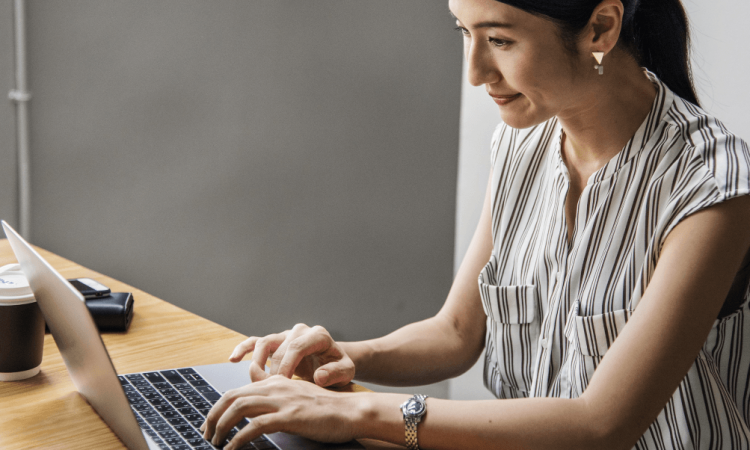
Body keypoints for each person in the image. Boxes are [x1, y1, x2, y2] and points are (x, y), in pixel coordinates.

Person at [201, 0, 750, 448]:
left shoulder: (712, 185)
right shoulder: (520, 141)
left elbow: (600, 424)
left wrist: (358, 412)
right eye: (464, 32)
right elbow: (457, 333)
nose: (475, 73)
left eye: (500, 40)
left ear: (600, 29)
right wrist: (341, 361)